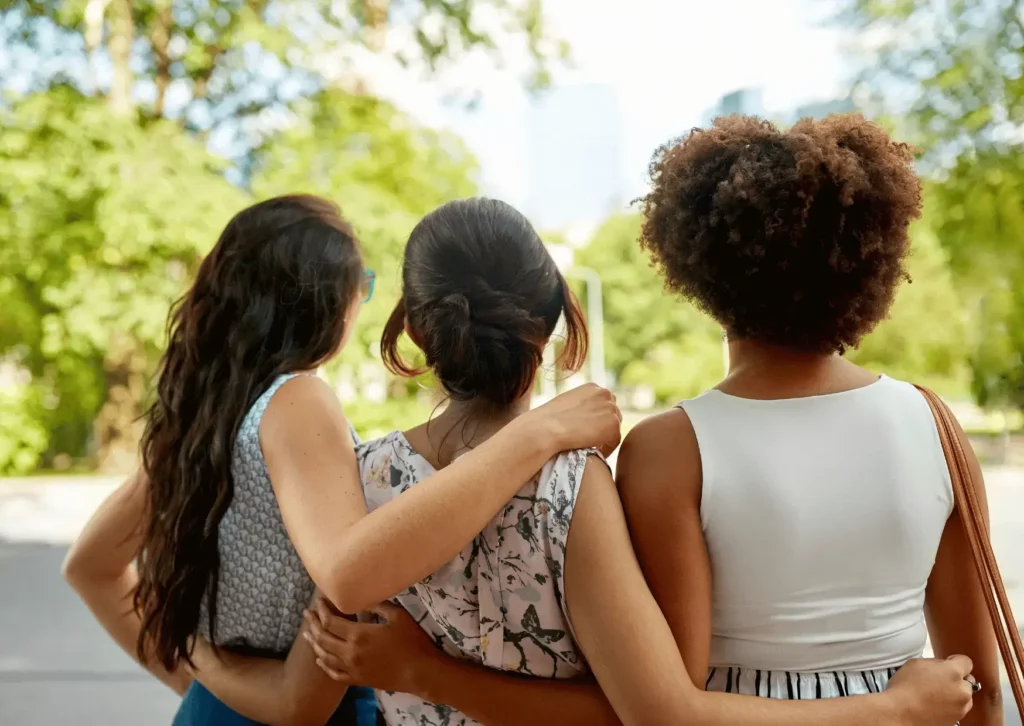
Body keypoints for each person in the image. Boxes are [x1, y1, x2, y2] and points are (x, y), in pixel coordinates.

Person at [190, 197, 978, 726]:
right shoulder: (573, 489)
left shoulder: (361, 485)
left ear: (416, 334)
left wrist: (197, 654)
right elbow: (644, 710)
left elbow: (309, 691)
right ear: (556, 321)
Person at [61, 195, 623, 726]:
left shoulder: (201, 420)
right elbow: (306, 679)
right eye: (363, 284)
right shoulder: (299, 401)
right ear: (331, 300)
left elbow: (89, 565)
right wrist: (538, 432)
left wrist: (201, 672)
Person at [614, 114, 1001, 725]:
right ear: (865, 262)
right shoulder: (933, 423)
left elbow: (675, 699)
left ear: (702, 269)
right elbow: (982, 690)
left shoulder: (669, 449)